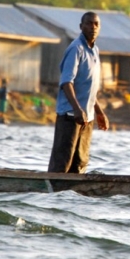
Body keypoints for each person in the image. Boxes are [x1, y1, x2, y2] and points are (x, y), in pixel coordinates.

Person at [48, 12, 109, 174]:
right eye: (89, 24)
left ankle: (75, 198)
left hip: (86, 118)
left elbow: (88, 88)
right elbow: (67, 82)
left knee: (80, 165)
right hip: (70, 116)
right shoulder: (76, 49)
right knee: (62, 165)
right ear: (81, 27)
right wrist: (76, 109)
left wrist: (99, 112)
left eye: (96, 24)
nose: (93, 27)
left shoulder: (95, 50)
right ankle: (53, 196)